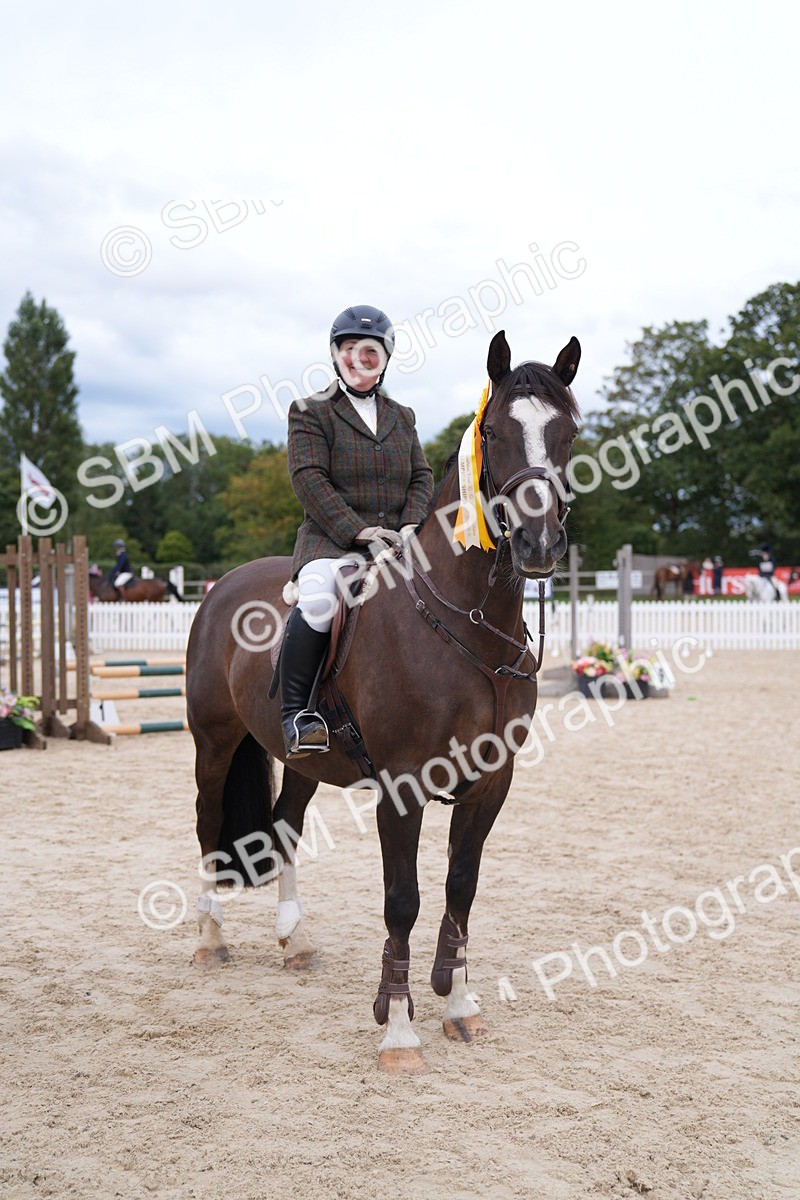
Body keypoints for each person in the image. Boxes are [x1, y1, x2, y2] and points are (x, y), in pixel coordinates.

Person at [281, 304, 434, 759]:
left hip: (401, 541)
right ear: (336, 355)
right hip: (331, 541)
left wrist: (410, 523)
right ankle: (297, 715)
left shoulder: (402, 416)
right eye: (350, 350)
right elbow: (309, 479)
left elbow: (422, 477)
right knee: (320, 594)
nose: (359, 359)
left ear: (384, 358)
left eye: (370, 351)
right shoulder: (310, 411)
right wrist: (361, 532)